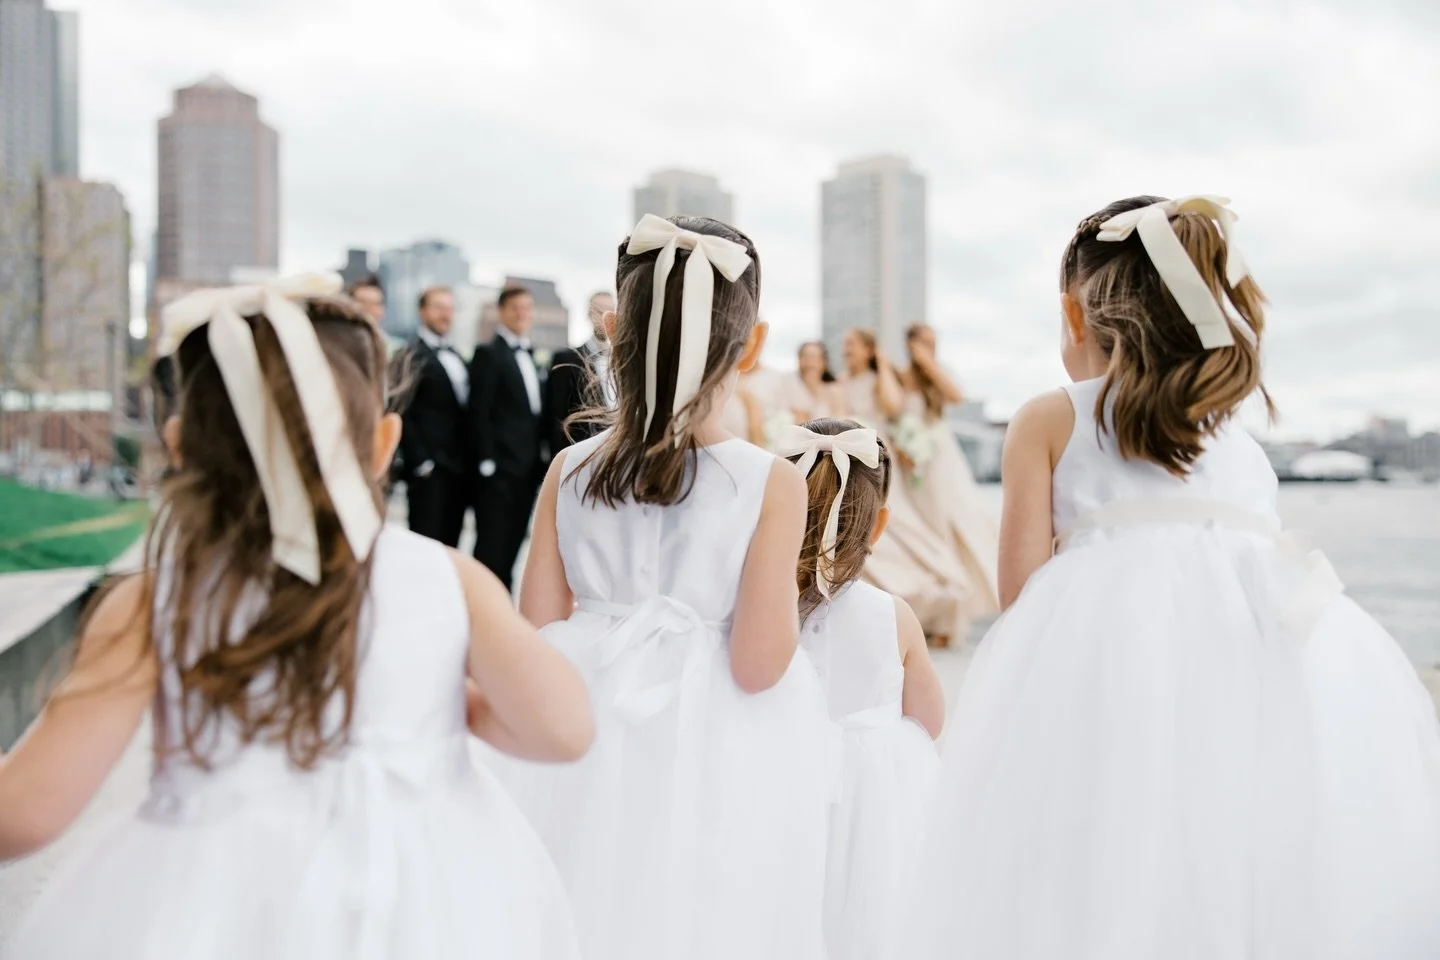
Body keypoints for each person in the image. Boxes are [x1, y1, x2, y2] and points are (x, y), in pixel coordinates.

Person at [904, 195, 1440, 959]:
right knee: (1229, 852)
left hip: (1100, 680)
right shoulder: (1235, 438)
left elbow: (1018, 594)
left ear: (1074, 313)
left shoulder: (1049, 417)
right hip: (1246, 686)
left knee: (1102, 857)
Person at [0, 277, 594, 959]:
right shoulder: (446, 579)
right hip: (419, 904)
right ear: (383, 444)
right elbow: (563, 730)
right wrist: (455, 707)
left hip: (206, 908)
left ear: (179, 444)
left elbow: (22, 815)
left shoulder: (148, 602)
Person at [502, 214, 834, 960]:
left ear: (614, 329)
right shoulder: (770, 480)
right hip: (714, 736)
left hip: (584, 721)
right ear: (753, 345)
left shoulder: (569, 469)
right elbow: (758, 665)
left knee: (579, 900)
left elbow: (540, 629)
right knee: (702, 908)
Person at [774, 418, 942, 960]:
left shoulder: (761, 611)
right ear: (879, 525)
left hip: (779, 787)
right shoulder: (893, 615)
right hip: (871, 807)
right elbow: (929, 720)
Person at [840, 328, 970, 645]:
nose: (845, 351)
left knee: (907, 525)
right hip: (862, 458)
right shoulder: (844, 381)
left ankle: (938, 598)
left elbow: (894, 407)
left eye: (851, 345)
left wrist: (883, 364)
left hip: (889, 458)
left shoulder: (885, 378)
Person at [896, 323, 1000, 627]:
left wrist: (928, 364)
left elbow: (956, 397)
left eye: (933, 343)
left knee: (951, 524)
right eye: (923, 343)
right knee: (923, 531)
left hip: (940, 458)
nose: (930, 348)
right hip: (911, 460)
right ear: (910, 344)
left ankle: (954, 618)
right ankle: (931, 612)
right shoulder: (901, 376)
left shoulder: (939, 373)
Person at [470, 285, 549, 590]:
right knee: (491, 548)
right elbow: (480, 413)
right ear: (502, 312)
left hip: (527, 469)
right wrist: (488, 462)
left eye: (527, 308)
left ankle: (501, 613)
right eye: (516, 308)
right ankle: (481, 612)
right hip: (499, 471)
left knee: (514, 545)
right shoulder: (489, 354)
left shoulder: (531, 355)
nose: (522, 314)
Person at [396, 286, 472, 547]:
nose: (445, 314)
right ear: (422, 311)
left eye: (449, 308)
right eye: (438, 307)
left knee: (452, 546)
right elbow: (399, 409)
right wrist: (421, 463)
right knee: (423, 545)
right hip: (429, 471)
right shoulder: (408, 354)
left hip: (458, 469)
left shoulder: (457, 354)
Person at [546, 290, 614, 452]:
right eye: (598, 311)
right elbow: (556, 419)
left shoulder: (626, 361)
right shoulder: (567, 360)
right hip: (582, 456)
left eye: (609, 311)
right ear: (588, 315)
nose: (604, 317)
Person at [777, 341, 847, 424]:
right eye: (805, 357)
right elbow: (782, 416)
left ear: (824, 362)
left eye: (813, 357)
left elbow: (842, 420)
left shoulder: (834, 390)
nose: (809, 363)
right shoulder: (788, 385)